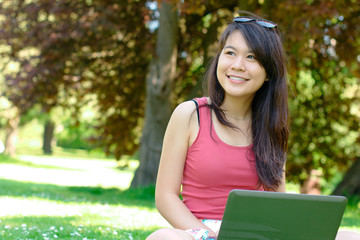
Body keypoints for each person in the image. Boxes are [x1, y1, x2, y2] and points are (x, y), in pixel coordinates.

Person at [146, 12, 359, 240]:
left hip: (256, 235)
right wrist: (209, 236)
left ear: (268, 72)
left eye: (252, 57)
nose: (238, 65)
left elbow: (277, 202)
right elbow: (166, 196)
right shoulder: (190, 114)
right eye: (230, 53)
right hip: (198, 233)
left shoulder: (273, 127)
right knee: (163, 238)